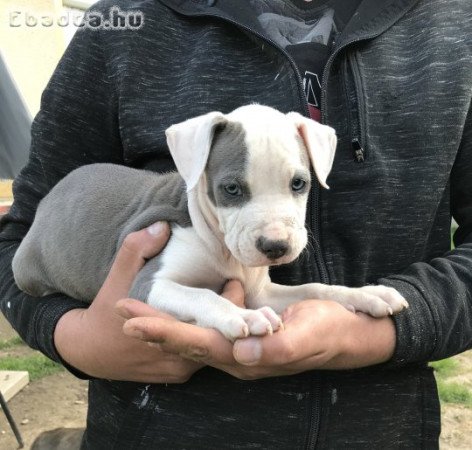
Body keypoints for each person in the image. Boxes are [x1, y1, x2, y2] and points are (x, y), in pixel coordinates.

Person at [1, 0, 471, 447]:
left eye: (297, 185)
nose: (273, 234)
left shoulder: (455, 25)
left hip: (385, 431)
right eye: (233, 191)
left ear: (316, 158)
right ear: (194, 164)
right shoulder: (125, 23)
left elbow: (262, 295)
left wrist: (357, 317)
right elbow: (18, 248)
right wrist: (76, 338)